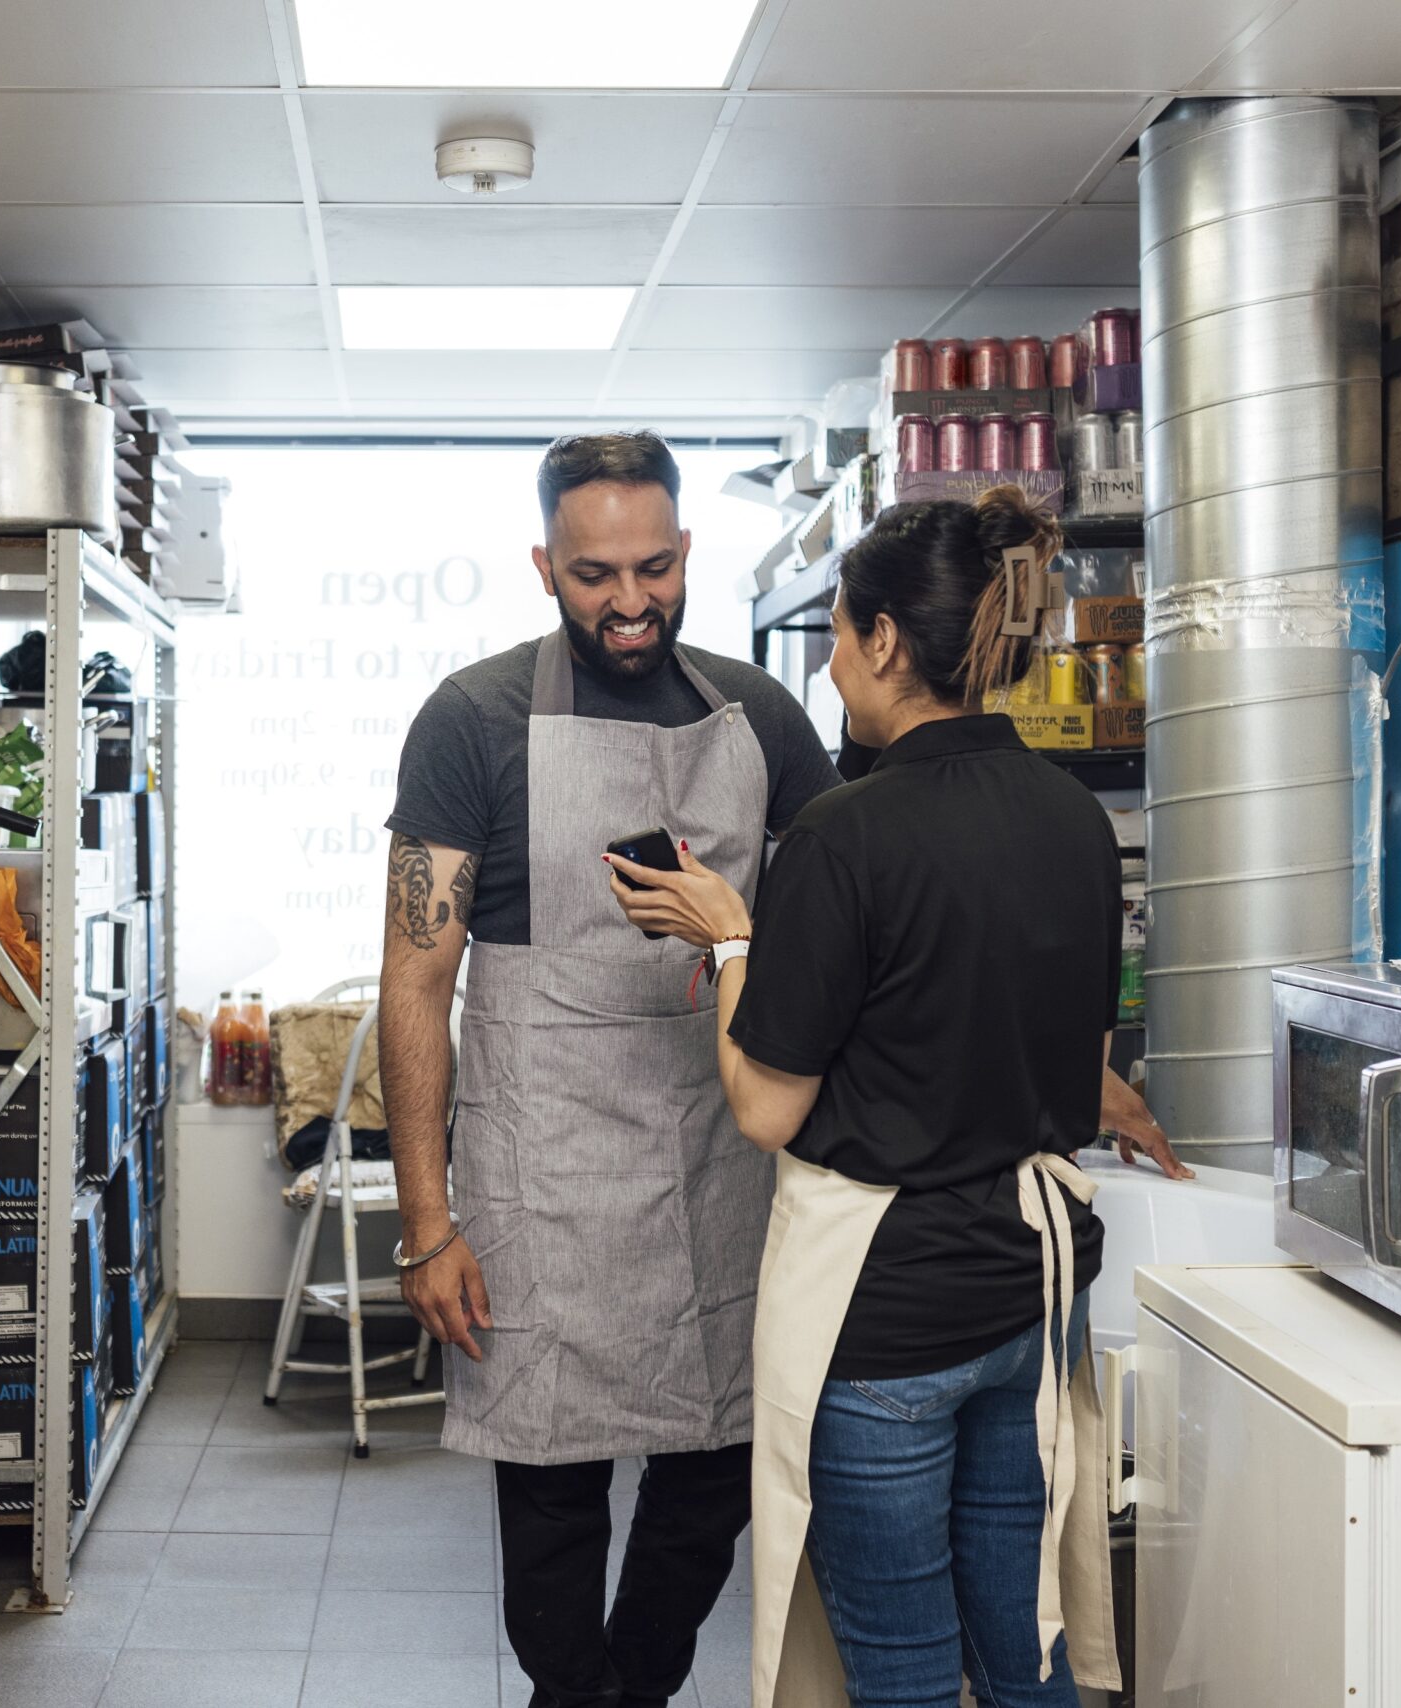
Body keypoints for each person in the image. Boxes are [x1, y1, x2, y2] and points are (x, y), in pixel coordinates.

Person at [608, 486, 1165, 1707]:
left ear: (883, 638)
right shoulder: (1074, 819)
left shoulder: (843, 837)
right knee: (1024, 1646)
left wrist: (731, 938)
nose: (830, 666)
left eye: (837, 637)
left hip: (886, 1322)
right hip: (1026, 1301)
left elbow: (766, 1108)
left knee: (903, 1669)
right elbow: (1070, 1061)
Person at [380, 431, 841, 1708]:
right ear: (544, 566)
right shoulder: (472, 719)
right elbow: (415, 980)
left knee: (715, 1463)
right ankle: (574, 1687)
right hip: (545, 1167)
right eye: (593, 575)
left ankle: (629, 1685)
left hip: (720, 1155)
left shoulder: (760, 717)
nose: (629, 601)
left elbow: (841, 919)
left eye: (653, 568)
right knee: (549, 1482)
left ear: (686, 550)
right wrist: (426, 1221)